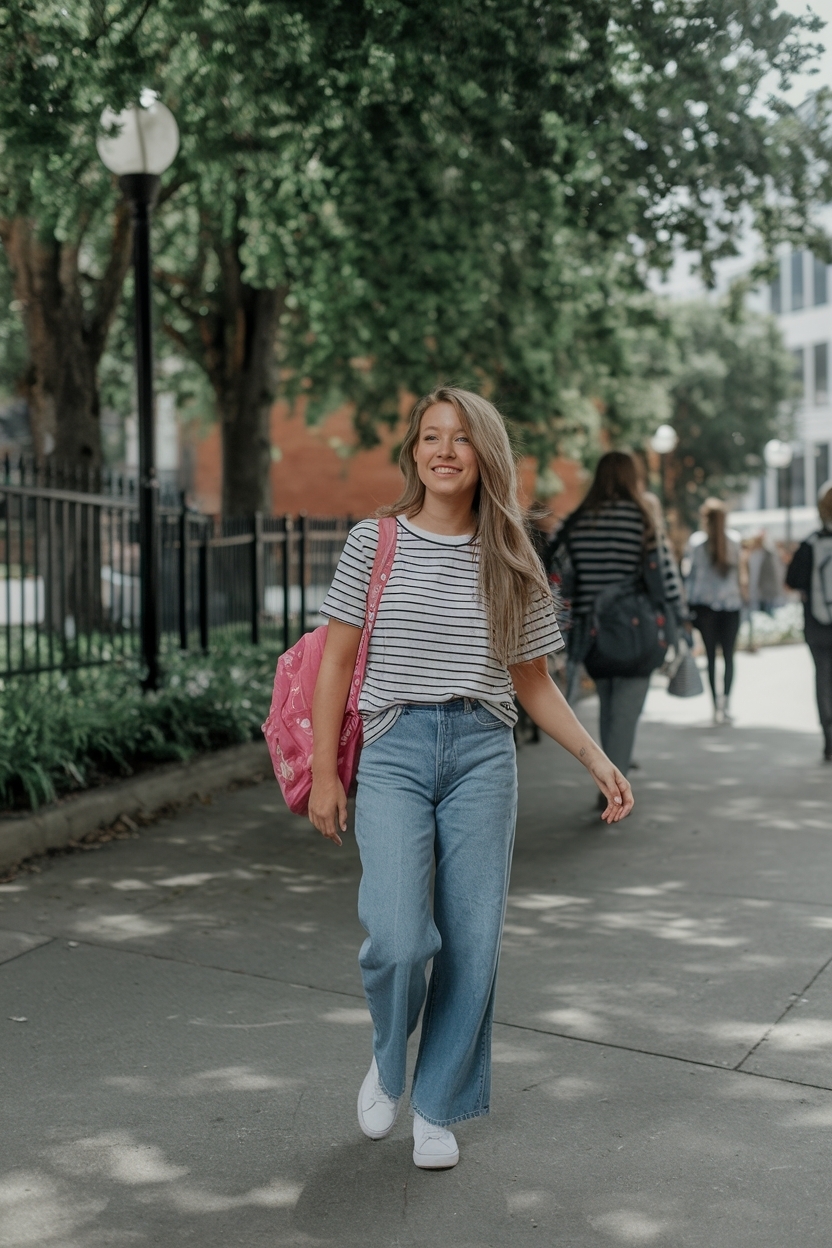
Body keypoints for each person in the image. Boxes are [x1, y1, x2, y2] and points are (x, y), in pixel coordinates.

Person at [308, 387, 634, 1171]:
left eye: (459, 438)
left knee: (473, 944)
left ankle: (438, 1104)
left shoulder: (513, 552)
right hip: (394, 747)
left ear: (486, 453)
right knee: (397, 934)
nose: (443, 451)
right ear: (414, 451)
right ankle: (391, 1060)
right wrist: (326, 770)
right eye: (430, 437)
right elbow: (336, 662)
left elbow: (534, 682)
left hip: (484, 753)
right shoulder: (374, 540)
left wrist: (597, 759)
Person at [553, 451, 683, 788]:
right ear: (631, 477)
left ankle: (609, 772)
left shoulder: (577, 520)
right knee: (625, 713)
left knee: (609, 705)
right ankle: (612, 788)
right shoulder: (641, 519)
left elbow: (551, 566)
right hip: (634, 630)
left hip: (590, 633)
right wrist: (680, 620)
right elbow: (665, 577)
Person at [786, 480, 832, 762]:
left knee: (823, 679)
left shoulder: (810, 544)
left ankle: (829, 738)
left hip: (817, 624)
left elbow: (792, 580)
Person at [684, 499, 742, 724]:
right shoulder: (734, 541)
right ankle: (725, 704)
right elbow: (739, 578)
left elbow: (691, 579)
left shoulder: (697, 544)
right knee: (728, 656)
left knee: (710, 657)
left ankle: (714, 705)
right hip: (730, 607)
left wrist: (686, 610)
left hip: (705, 608)